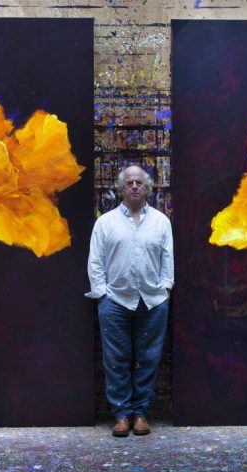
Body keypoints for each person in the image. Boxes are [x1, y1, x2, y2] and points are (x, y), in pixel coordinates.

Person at [86, 165, 174, 437]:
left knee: (149, 358)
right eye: (129, 182)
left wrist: (166, 288)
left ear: (147, 188)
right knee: (116, 359)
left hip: (153, 300)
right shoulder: (105, 222)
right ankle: (122, 415)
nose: (134, 186)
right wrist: (101, 293)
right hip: (114, 300)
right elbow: (95, 261)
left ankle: (141, 414)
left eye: (139, 182)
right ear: (121, 188)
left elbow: (167, 259)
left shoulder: (161, 221)